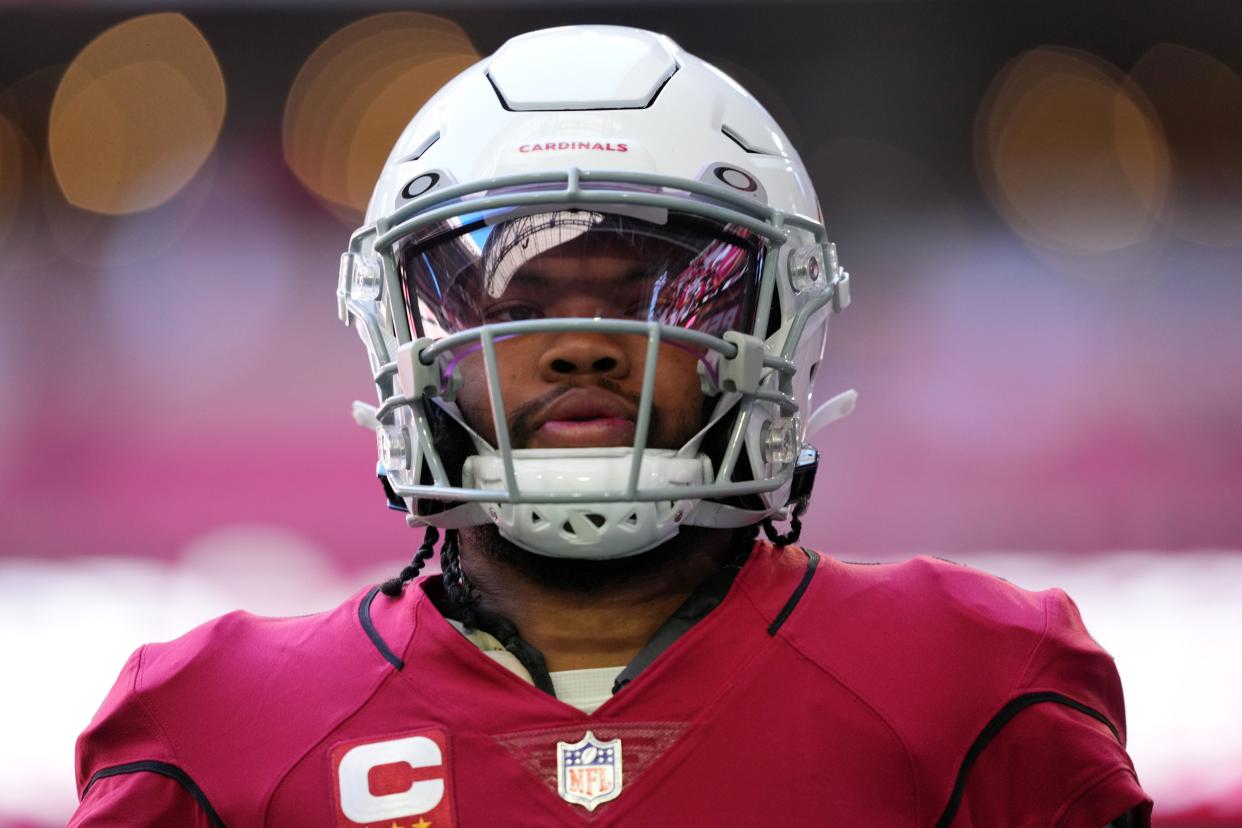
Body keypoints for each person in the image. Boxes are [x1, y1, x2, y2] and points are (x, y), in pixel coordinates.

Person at [72, 25, 1151, 826]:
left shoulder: (971, 685)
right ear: (405, 334)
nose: (578, 346)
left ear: (779, 320)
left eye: (650, 295)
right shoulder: (216, 727)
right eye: (512, 304)